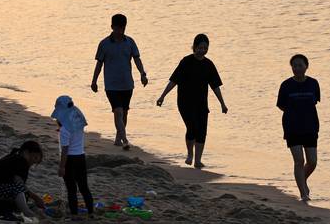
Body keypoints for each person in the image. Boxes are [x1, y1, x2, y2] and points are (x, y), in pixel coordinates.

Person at [156, 34, 228, 168]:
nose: (202, 50)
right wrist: (162, 96)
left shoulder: (209, 65)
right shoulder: (186, 62)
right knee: (192, 127)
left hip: (201, 103)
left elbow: (215, 86)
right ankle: (190, 154)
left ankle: (198, 160)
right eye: (200, 47)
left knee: (202, 130)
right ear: (194, 47)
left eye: (205, 48)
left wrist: (222, 104)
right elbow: (174, 81)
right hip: (185, 102)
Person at [91, 14, 148, 150]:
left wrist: (142, 74)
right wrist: (94, 81)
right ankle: (125, 139)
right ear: (112, 27)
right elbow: (99, 64)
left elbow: (137, 59)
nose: (120, 31)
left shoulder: (130, 42)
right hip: (111, 85)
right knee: (118, 112)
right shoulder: (104, 44)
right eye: (118, 28)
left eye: (122, 28)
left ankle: (118, 137)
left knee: (124, 112)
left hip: (127, 84)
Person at [277, 54, 320, 202]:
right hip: (292, 127)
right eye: (294, 66)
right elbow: (281, 105)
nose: (297, 68)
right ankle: (304, 194)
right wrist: (294, 115)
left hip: (310, 126)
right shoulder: (286, 85)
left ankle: (302, 180)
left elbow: (315, 102)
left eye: (300, 65)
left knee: (312, 161)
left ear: (306, 66)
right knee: (299, 161)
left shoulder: (313, 83)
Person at [52, 95, 94, 218]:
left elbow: (65, 150)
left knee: (71, 189)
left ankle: (74, 214)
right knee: (84, 187)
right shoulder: (78, 123)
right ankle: (91, 212)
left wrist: (61, 167)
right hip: (81, 157)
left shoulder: (64, 130)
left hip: (70, 160)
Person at [0, 141, 44, 218]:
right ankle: (26, 212)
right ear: (26, 152)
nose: (33, 162)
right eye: (34, 157)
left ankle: (25, 209)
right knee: (20, 188)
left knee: (23, 193)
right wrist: (36, 198)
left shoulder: (13, 157)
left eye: (36, 161)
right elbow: (19, 184)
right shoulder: (21, 161)